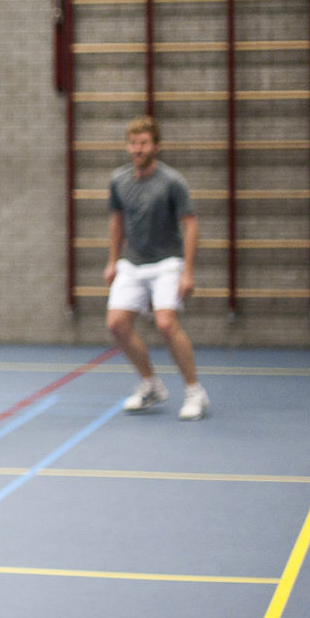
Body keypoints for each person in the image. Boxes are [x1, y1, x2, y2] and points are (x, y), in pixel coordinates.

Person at [105, 115, 208, 421]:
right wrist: (112, 260)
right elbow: (117, 221)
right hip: (133, 262)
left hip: (167, 262)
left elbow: (190, 225)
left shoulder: (172, 182)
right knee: (117, 324)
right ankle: (150, 385)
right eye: (133, 143)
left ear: (156, 146)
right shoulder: (119, 180)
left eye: (144, 143)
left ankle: (194, 391)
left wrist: (187, 271)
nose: (137, 149)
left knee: (165, 324)